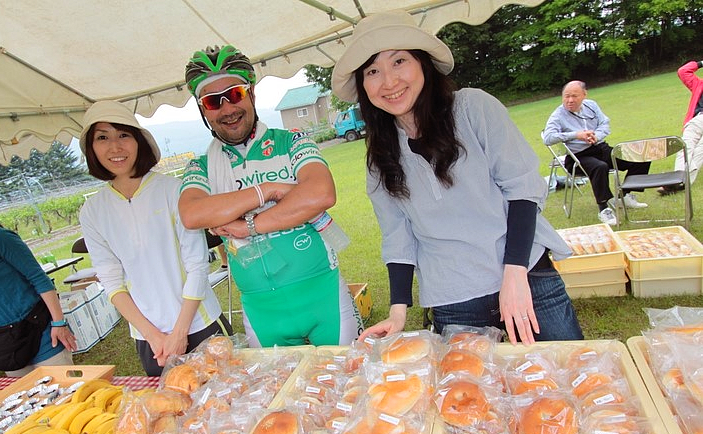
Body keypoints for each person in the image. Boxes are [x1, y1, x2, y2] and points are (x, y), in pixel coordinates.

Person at [330, 10, 583, 345]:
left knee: (564, 371)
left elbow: (522, 189)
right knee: (469, 392)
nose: (389, 82)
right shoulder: (379, 155)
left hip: (524, 272)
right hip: (454, 293)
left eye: (399, 62)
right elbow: (398, 235)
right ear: (363, 85)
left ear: (423, 63)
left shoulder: (473, 108)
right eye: (372, 71)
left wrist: (515, 273)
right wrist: (398, 311)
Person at [178, 44, 362, 348]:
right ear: (203, 111)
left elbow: (321, 193)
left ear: (251, 93)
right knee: (275, 394)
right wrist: (271, 191)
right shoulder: (201, 167)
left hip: (323, 295)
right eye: (213, 102)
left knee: (350, 387)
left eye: (234, 94)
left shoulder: (292, 141)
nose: (227, 109)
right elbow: (193, 214)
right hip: (262, 312)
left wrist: (248, 225)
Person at [79, 101, 230, 376]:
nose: (115, 147)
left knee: (230, 406)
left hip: (199, 324)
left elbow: (197, 264)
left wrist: (180, 332)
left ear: (138, 141)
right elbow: (112, 281)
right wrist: (154, 336)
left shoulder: (174, 190)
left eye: (123, 135)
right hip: (150, 339)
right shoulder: (92, 211)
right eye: (102, 137)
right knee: (168, 413)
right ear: (91, 148)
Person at [0, 193, 76, 377]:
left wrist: (59, 323)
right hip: (6, 345)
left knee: (67, 396)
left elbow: (39, 278)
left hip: (41, 334)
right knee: (30, 402)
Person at [543, 81, 651, 225]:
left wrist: (596, 136)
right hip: (578, 156)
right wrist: (576, 135)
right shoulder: (558, 115)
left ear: (584, 95)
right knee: (600, 167)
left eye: (574, 96)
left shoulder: (591, 106)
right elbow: (548, 137)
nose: (570, 100)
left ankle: (624, 196)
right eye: (566, 96)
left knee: (640, 157)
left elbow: (605, 124)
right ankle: (603, 209)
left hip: (600, 147)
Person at [664, 59, 703, 194]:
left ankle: (679, 183)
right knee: (686, 147)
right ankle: (679, 181)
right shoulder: (699, 84)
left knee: (699, 151)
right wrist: (700, 63)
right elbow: (683, 71)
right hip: (698, 120)